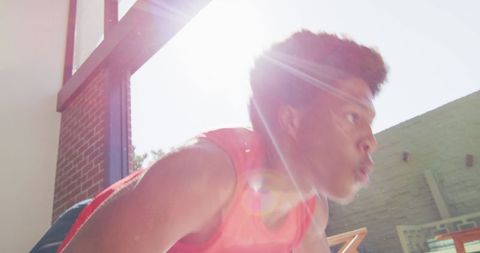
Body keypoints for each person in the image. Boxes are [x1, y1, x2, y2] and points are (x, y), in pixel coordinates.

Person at [59, 30, 388, 253]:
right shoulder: (200, 176)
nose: (371, 141)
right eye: (352, 117)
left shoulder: (313, 212)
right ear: (292, 120)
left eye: (369, 123)